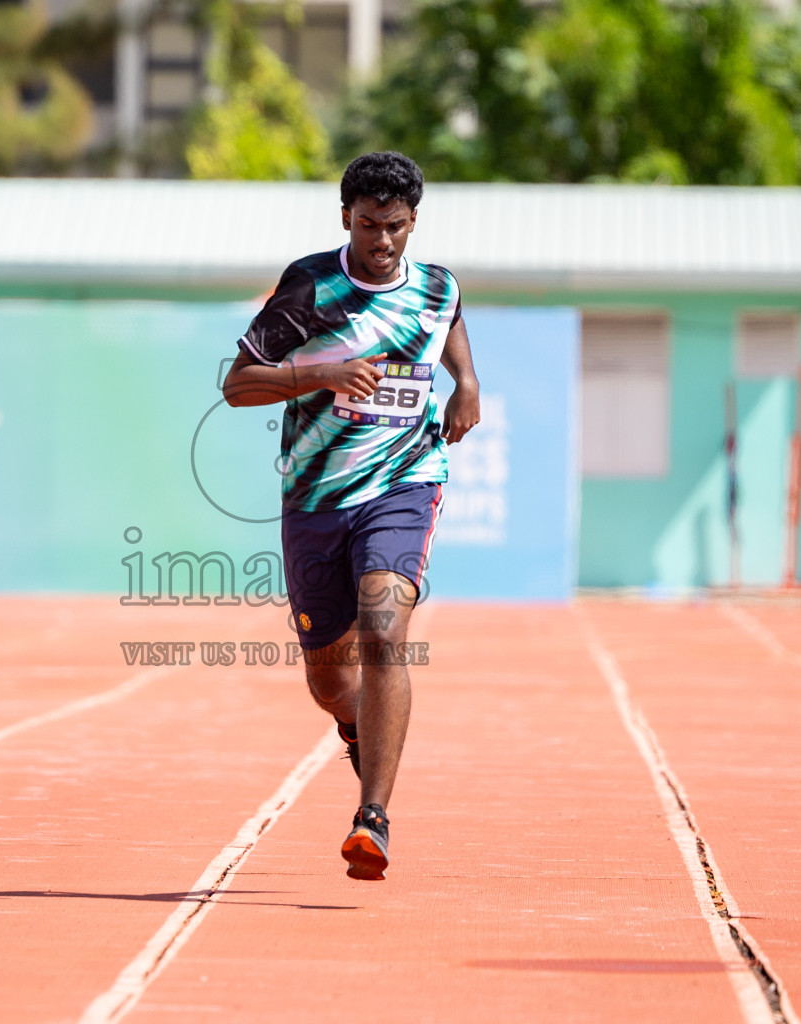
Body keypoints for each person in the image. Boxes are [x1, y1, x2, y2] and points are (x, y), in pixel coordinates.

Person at [221, 151, 481, 880]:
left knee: (384, 626)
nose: (382, 242)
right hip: (314, 497)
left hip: (404, 482)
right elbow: (237, 385)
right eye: (368, 225)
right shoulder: (312, 286)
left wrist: (467, 383)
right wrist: (324, 373)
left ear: (413, 223)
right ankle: (354, 726)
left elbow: (450, 318)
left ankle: (373, 819)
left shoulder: (437, 285)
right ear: (345, 218)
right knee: (331, 683)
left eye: (395, 227)